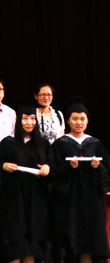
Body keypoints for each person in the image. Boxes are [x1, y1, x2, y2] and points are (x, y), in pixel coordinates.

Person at [51, 97, 110, 263]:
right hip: (70, 198)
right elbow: (53, 171)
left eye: (82, 119)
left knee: (91, 237)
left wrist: (99, 166)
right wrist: (68, 167)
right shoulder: (60, 144)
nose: (79, 122)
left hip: (92, 198)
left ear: (87, 121)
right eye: (75, 119)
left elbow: (107, 168)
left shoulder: (95, 143)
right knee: (71, 236)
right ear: (68, 121)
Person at [0, 102, 53, 263]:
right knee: (15, 237)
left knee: (32, 239)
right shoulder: (8, 143)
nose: (29, 122)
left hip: (36, 199)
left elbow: (53, 167)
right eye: (25, 118)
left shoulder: (43, 144)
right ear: (18, 121)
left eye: (33, 118)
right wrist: (3, 166)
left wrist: (48, 168)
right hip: (14, 199)